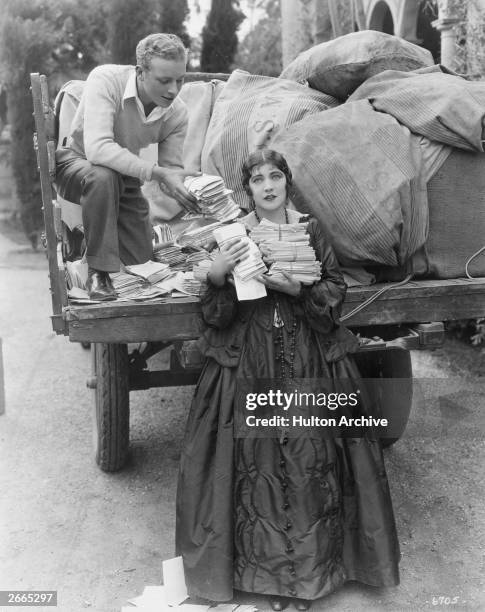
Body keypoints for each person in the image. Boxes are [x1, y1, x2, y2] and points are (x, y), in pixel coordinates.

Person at [176, 149, 400, 610]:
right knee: (255, 470)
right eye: (257, 180)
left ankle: (309, 581)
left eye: (275, 176)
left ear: (287, 182)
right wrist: (218, 277)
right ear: (249, 190)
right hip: (250, 357)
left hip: (307, 356)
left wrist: (298, 289)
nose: (268, 185)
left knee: (305, 465)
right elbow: (216, 318)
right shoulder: (234, 233)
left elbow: (334, 292)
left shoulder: (311, 230)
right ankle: (269, 581)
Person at [55, 33, 198, 300]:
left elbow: (170, 170)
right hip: (75, 163)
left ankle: (93, 246)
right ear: (140, 72)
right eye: (164, 80)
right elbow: (97, 149)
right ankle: (97, 272)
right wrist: (155, 172)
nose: (173, 90)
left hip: (123, 177)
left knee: (143, 264)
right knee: (103, 175)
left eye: (180, 79)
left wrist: (186, 188)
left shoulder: (177, 113)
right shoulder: (106, 80)